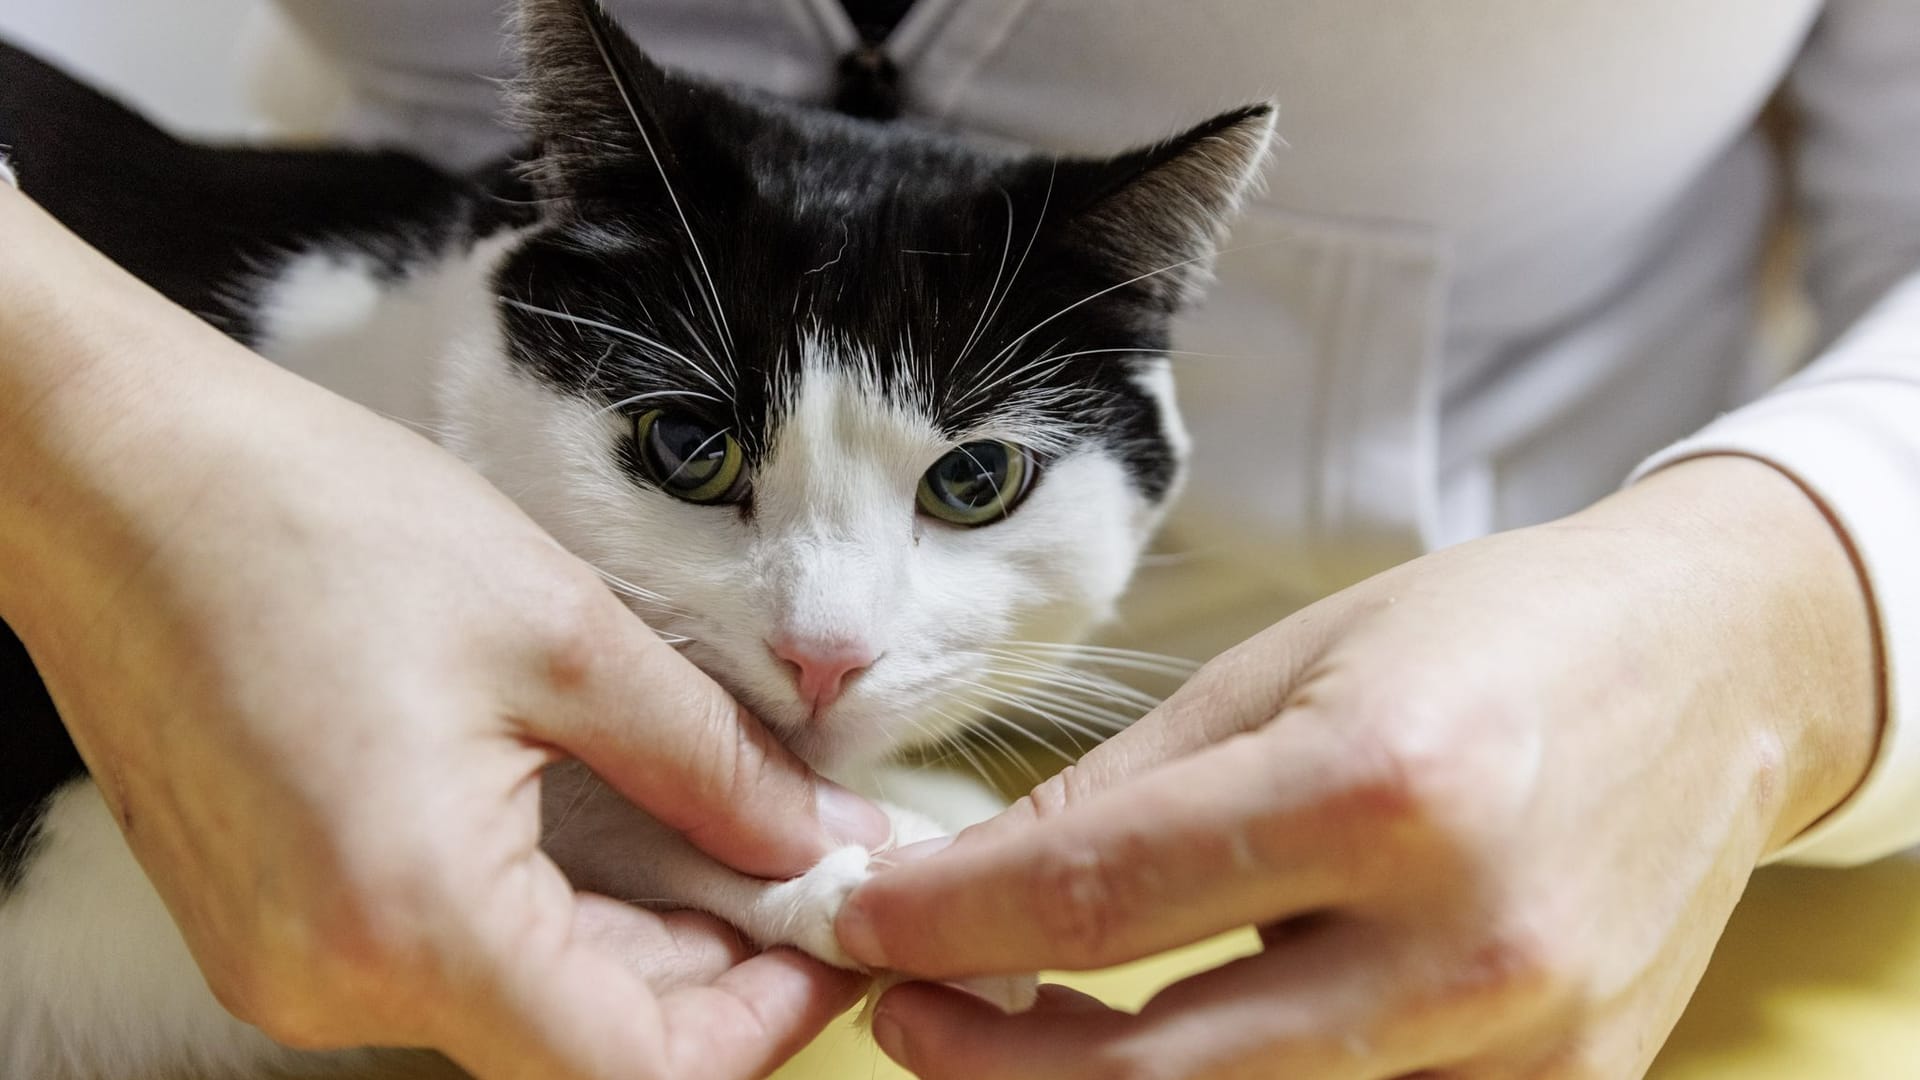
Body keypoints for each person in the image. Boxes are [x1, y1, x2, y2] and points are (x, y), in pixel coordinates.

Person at [4, 1, 1917, 1077]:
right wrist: (75, 435)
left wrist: (1783, 624)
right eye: (689, 451)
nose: (827, 639)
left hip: (1600, 889)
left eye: (973, 488)